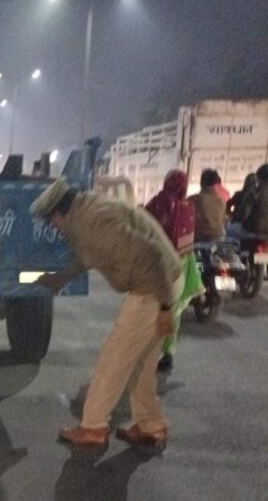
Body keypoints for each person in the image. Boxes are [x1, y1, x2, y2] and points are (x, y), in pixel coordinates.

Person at [30, 177, 183, 449]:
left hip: (153, 286)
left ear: (60, 213)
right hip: (164, 279)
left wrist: (165, 307)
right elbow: (86, 256)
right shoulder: (84, 213)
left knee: (115, 358)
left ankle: (93, 427)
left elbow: (150, 255)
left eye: (50, 220)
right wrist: (58, 278)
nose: (52, 227)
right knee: (141, 364)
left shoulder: (94, 223)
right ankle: (152, 425)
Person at [145, 170, 204, 372]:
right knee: (172, 310)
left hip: (160, 263)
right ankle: (167, 353)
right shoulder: (188, 207)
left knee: (152, 308)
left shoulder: (158, 203)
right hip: (183, 263)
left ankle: (150, 352)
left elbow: (144, 225)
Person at [189, 169, 227, 242]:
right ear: (215, 183)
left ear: (201, 182)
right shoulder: (221, 201)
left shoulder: (194, 200)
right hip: (219, 238)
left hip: (200, 239)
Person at [245, 163, 268, 235]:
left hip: (256, 230)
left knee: (232, 229)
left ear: (259, 178)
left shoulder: (255, 192)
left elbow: (244, 214)